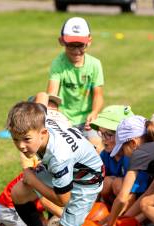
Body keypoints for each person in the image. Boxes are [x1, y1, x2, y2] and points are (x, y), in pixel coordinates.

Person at [7, 102, 104, 226]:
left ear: (43, 133)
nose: (21, 146)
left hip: (86, 180)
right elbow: (43, 103)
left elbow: (63, 200)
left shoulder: (59, 157)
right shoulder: (44, 121)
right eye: (15, 139)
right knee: (18, 193)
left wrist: (33, 180)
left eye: (26, 139)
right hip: (71, 167)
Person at [47, 17, 104, 151]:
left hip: (87, 121)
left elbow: (98, 95)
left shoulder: (95, 65)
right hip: (63, 120)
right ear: (61, 41)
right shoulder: (58, 64)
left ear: (89, 41)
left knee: (98, 149)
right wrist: (55, 118)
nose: (76, 50)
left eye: (80, 45)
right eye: (71, 45)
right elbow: (52, 94)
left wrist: (94, 112)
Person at [89, 105, 150, 214]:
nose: (103, 139)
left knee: (117, 183)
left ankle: (124, 222)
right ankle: (106, 212)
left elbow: (132, 196)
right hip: (116, 205)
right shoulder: (105, 155)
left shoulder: (134, 156)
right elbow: (94, 186)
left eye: (109, 134)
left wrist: (119, 221)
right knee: (105, 182)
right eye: (101, 133)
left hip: (138, 205)